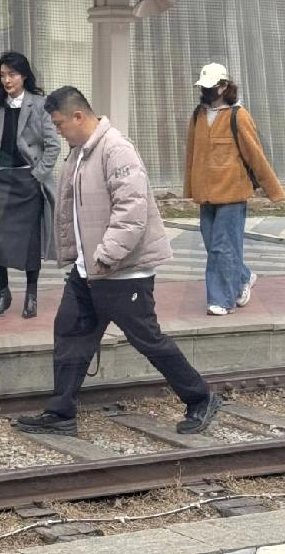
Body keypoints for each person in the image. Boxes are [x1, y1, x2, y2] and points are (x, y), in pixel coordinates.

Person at [15, 87, 219, 437]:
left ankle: (200, 398)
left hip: (122, 271)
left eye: (60, 123)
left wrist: (106, 255)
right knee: (70, 333)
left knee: (147, 339)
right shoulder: (79, 152)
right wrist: (82, 259)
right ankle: (61, 412)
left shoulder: (116, 149)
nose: (58, 131)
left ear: (79, 116)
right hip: (88, 270)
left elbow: (131, 212)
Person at [184, 63, 285, 317]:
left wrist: (274, 191)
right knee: (213, 245)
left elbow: (255, 155)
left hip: (232, 194)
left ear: (223, 86)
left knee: (223, 247)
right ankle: (243, 276)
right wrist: (190, 188)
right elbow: (192, 155)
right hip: (206, 195)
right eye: (203, 87)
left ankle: (221, 300)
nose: (205, 91)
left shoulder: (238, 116)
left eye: (210, 87)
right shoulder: (198, 115)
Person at [0, 51, 59, 319]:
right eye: (2, 75)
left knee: (30, 240)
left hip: (27, 181)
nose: (7, 80)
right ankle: (3, 293)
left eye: (12, 74)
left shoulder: (40, 105)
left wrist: (38, 174)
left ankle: (31, 295)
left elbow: (53, 145)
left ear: (24, 76)